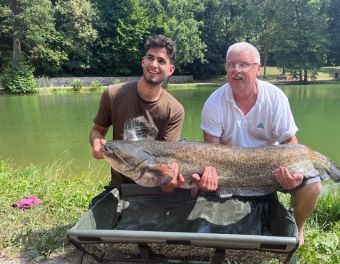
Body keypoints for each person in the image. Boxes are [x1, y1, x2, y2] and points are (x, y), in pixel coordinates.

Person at [199, 42, 322, 245]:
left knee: (313, 185)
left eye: (243, 64)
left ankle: (298, 229)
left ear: (257, 68)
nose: (236, 70)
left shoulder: (275, 97)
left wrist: (294, 175)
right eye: (231, 65)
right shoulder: (213, 103)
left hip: (273, 172)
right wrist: (209, 178)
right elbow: (211, 153)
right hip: (230, 175)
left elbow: (290, 143)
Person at [89, 34, 185, 205]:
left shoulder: (175, 110)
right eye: (150, 58)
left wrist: (170, 181)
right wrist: (96, 143)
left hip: (155, 190)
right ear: (143, 61)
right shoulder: (113, 94)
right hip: (120, 187)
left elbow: (168, 158)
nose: (154, 65)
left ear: (170, 70)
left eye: (161, 61)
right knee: (94, 218)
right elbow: (98, 130)